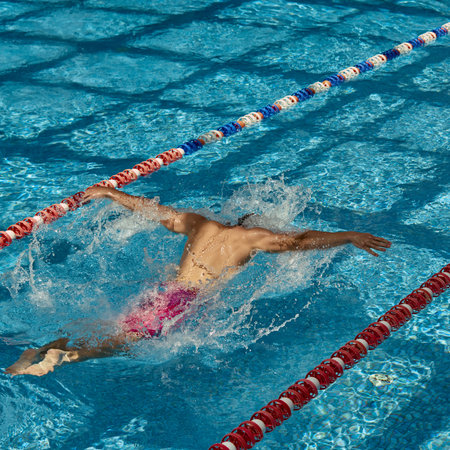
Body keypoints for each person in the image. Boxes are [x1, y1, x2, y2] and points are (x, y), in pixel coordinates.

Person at [5, 187, 391, 376]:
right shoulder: (253, 238)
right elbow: (298, 241)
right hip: (182, 302)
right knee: (121, 344)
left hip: (160, 292)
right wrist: (347, 235)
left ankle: (46, 346)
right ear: (254, 224)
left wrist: (109, 192)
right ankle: (58, 357)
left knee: (113, 330)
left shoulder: (202, 223)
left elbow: (155, 211)